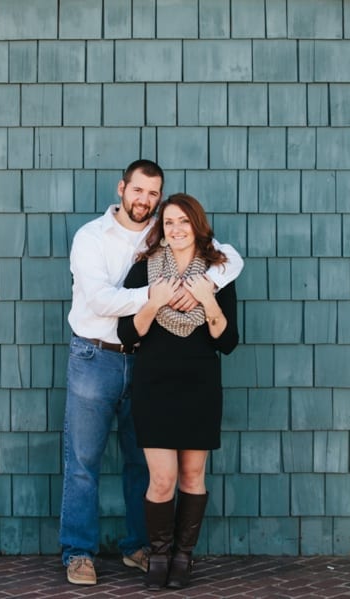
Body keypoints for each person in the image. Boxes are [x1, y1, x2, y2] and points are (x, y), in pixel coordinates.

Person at [59, 159, 243, 586]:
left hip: (143, 363)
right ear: (122, 188)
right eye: (138, 191)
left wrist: (208, 287)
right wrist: (158, 296)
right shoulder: (91, 237)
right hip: (96, 356)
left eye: (153, 195)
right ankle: (79, 553)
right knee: (83, 461)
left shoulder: (159, 233)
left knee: (141, 464)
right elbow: (103, 301)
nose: (145, 200)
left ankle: (139, 548)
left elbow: (227, 256)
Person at [117, 193, 238, 590]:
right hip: (155, 386)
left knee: (192, 475)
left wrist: (207, 301)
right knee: (162, 479)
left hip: (200, 386)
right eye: (169, 222)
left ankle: (183, 557)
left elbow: (228, 341)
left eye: (184, 221)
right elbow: (127, 334)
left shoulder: (218, 274)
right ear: (162, 230)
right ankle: (159, 556)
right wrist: (156, 302)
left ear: (197, 225)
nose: (177, 229)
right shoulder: (145, 270)